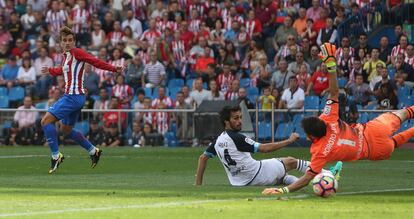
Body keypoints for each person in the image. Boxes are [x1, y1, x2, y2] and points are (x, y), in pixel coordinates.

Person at [262, 43, 414, 195]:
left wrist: (282, 190)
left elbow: (307, 178)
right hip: (373, 129)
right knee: (404, 114)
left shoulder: (320, 151)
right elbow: (334, 92)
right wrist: (331, 67)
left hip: (373, 150)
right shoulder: (328, 118)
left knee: (393, 143)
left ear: (311, 137)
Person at [40, 26, 124, 174]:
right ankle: (93, 151)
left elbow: (94, 61)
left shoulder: (77, 52)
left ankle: (55, 155)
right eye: (65, 40)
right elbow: (62, 70)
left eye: (70, 40)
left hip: (72, 97)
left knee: (45, 121)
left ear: (74, 42)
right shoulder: (66, 56)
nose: (67, 43)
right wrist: (51, 71)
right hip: (76, 98)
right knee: (66, 130)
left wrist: (113, 69)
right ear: (60, 42)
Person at [195, 105, 342, 186]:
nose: (240, 121)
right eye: (236, 118)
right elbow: (264, 149)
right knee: (291, 161)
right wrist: (289, 141)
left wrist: (198, 186)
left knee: (282, 177)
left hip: (239, 182)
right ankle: (328, 174)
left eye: (240, 117)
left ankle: (313, 185)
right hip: (257, 174)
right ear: (227, 122)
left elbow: (202, 158)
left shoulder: (218, 141)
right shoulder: (237, 138)